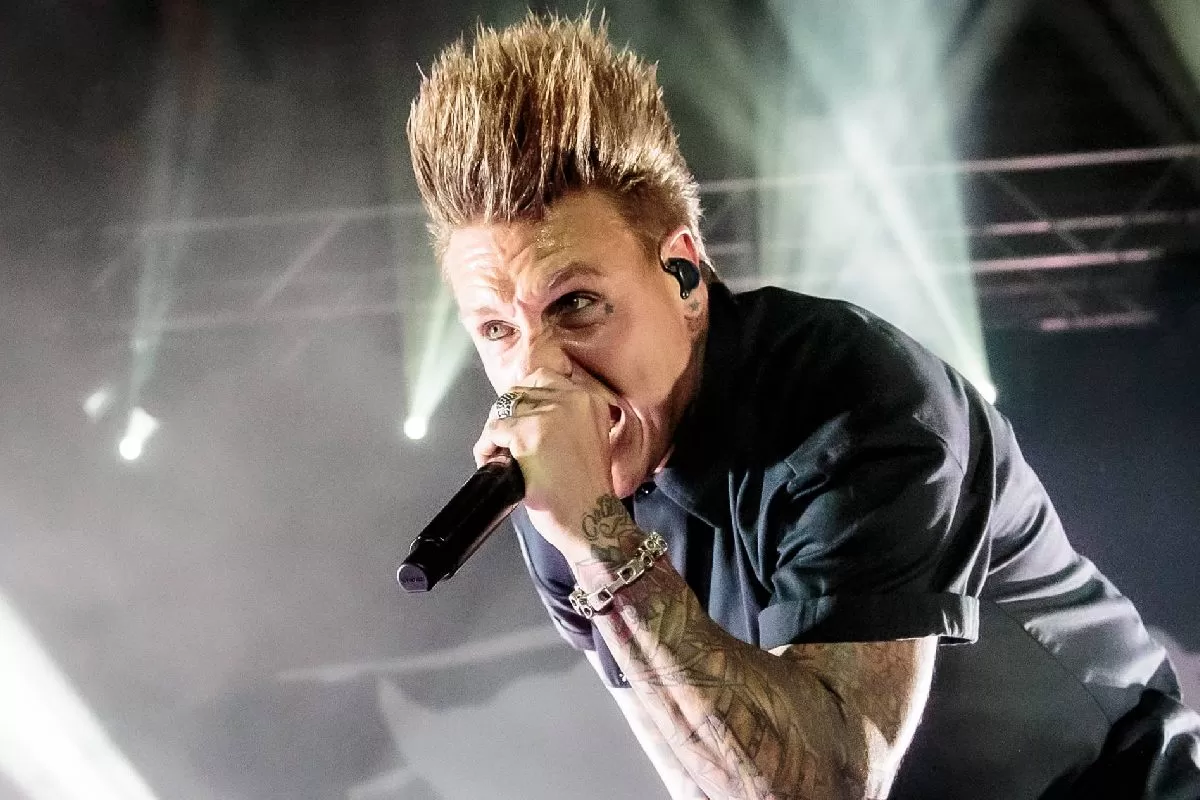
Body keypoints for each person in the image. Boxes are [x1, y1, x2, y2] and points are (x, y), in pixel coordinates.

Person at [406, 12, 1200, 799]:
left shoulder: (852, 400)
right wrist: (588, 538)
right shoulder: (564, 502)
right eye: (498, 329)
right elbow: (703, 769)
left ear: (683, 276)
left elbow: (828, 789)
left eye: (577, 304)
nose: (538, 371)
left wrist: (598, 540)